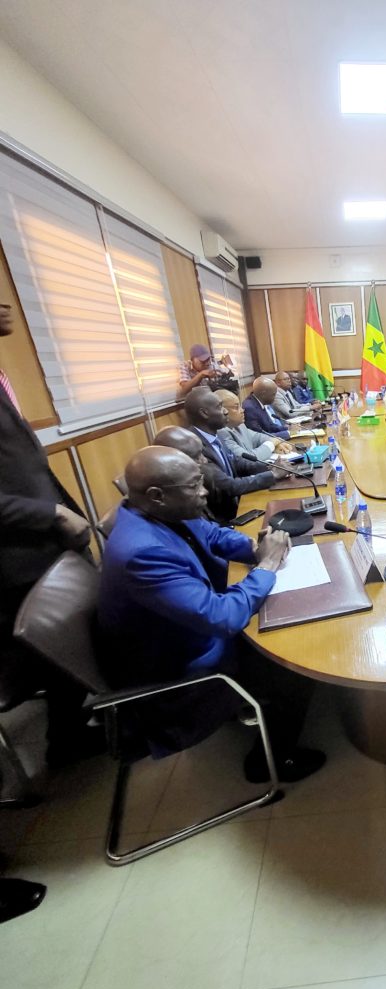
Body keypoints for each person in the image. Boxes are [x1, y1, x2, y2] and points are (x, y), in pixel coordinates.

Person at [98, 445, 324, 782]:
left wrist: (254, 548)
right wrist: (267, 564)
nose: (205, 491)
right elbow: (222, 617)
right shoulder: (141, 553)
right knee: (294, 662)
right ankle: (271, 763)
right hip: (181, 668)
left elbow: (214, 535)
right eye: (194, 486)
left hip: (188, 631)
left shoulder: (159, 510)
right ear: (157, 495)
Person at [0, 301, 97, 773]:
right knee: (57, 645)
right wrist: (49, 513)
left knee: (70, 645)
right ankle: (65, 743)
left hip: (42, 540)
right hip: (17, 551)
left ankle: (70, 728)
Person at [183, 388, 288, 523]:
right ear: (204, 413)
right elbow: (227, 486)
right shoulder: (193, 445)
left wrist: (270, 467)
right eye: (220, 407)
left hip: (237, 505)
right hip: (223, 519)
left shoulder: (214, 434)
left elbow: (237, 462)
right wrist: (272, 475)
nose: (225, 411)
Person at [215, 389, 295, 463]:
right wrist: (271, 444)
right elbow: (247, 459)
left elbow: (257, 437)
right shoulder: (221, 433)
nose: (242, 410)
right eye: (236, 407)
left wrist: (276, 444)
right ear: (222, 411)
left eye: (240, 406)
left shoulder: (240, 425)